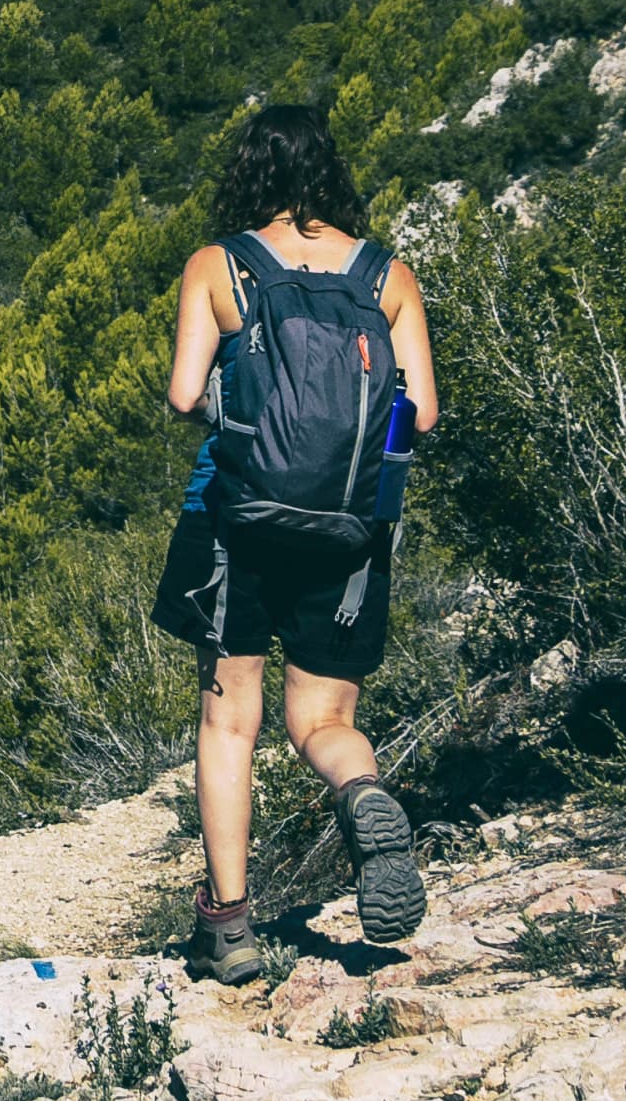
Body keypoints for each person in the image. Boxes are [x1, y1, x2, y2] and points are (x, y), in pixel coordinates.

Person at [156, 105, 438, 981]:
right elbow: (421, 413)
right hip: (351, 531)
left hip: (234, 524)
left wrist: (252, 423)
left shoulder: (219, 265)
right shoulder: (388, 275)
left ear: (250, 174)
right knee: (322, 718)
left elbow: (181, 394)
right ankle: (362, 794)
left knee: (229, 722)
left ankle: (230, 929)